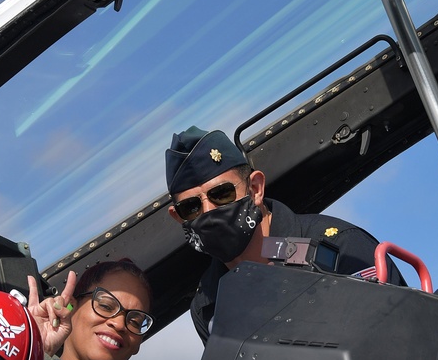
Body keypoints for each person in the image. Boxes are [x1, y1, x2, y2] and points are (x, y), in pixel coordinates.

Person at [165, 125, 404, 343]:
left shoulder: (339, 246)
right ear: (178, 217)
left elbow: (406, 339)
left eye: (222, 194)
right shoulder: (207, 304)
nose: (208, 211)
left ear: (255, 188)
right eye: (191, 207)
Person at [27, 259, 154, 360]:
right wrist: (33, 352)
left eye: (134, 322)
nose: (119, 324)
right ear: (71, 307)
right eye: (106, 306)